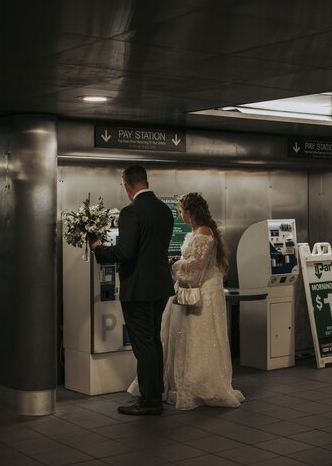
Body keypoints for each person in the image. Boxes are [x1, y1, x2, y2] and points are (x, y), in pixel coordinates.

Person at [130, 191, 244, 410]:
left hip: (201, 293)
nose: (180, 215)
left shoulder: (203, 234)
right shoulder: (199, 232)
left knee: (197, 336)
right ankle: (183, 383)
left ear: (190, 213)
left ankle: (198, 386)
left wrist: (173, 266)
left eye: (181, 211)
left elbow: (194, 269)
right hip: (194, 290)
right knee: (187, 337)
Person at [90, 165, 174, 416]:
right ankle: (154, 395)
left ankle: (149, 402)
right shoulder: (165, 210)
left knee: (143, 345)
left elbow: (125, 252)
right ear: (146, 181)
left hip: (137, 288)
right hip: (160, 287)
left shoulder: (131, 212)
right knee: (153, 341)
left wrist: (97, 248)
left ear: (127, 185)